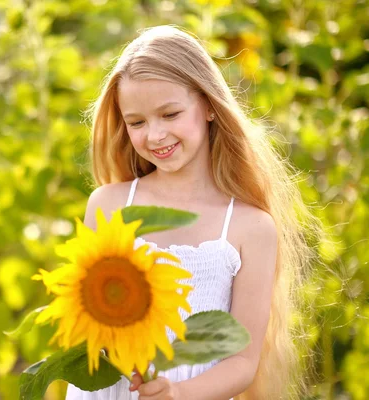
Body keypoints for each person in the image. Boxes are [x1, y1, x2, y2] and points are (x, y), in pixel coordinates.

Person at [65, 25, 317, 400]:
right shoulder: (109, 204)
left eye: (170, 114)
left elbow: (242, 363)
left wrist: (178, 393)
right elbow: (89, 323)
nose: (154, 135)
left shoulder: (250, 227)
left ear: (209, 106)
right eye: (137, 122)